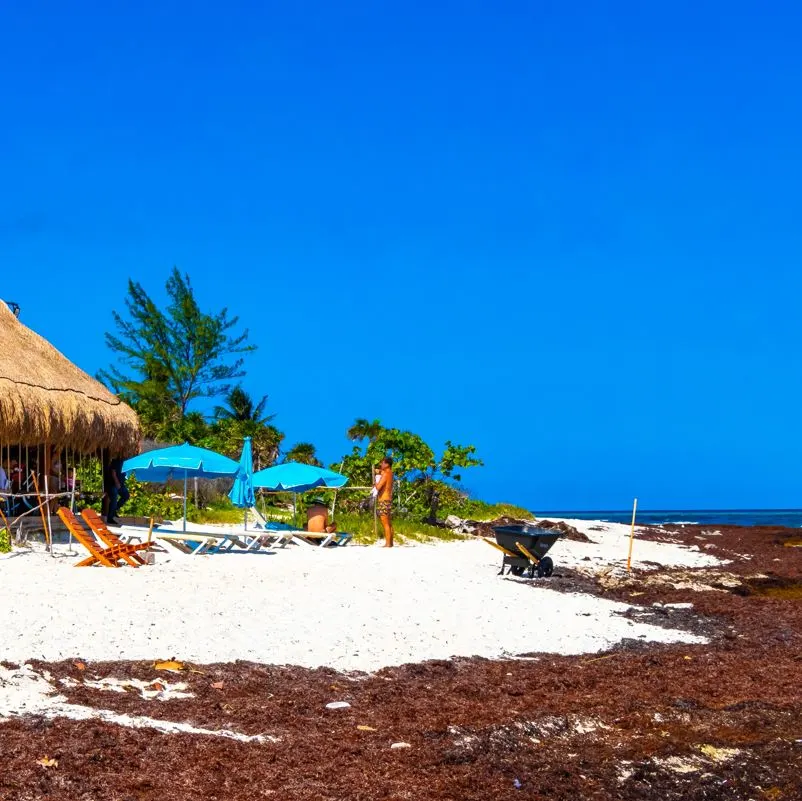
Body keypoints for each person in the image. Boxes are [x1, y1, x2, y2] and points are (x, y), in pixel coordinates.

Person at [374, 457, 394, 547]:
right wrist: (379, 472)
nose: (381, 465)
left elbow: (378, 487)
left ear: (387, 464)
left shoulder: (385, 474)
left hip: (383, 500)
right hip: (389, 499)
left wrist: (375, 482)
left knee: (385, 522)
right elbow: (383, 473)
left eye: (382, 463)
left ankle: (388, 543)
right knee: (389, 522)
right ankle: (391, 542)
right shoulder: (390, 473)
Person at [104, 456, 129, 525]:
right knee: (114, 498)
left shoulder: (125, 462)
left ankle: (114, 510)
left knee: (126, 495)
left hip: (120, 484)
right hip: (112, 484)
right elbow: (113, 472)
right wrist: (117, 482)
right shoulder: (116, 460)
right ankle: (110, 518)